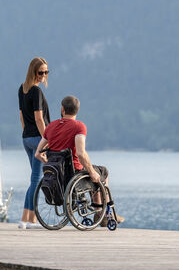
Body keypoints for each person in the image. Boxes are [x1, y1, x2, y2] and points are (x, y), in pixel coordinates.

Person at [35, 95, 124, 223]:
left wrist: (49, 163)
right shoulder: (79, 127)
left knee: (93, 173)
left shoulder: (50, 127)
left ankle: (99, 213)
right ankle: (103, 214)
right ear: (77, 110)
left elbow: (38, 153)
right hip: (74, 172)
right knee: (102, 172)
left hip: (57, 174)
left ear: (62, 109)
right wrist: (92, 172)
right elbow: (81, 154)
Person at [18, 57, 50, 229]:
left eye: (46, 72)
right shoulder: (36, 92)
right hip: (38, 138)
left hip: (26, 138)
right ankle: (30, 220)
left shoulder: (22, 89)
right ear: (33, 72)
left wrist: (26, 132)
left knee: (34, 180)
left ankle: (25, 219)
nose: (43, 75)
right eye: (40, 72)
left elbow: (22, 116)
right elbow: (39, 118)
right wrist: (46, 138)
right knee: (36, 179)